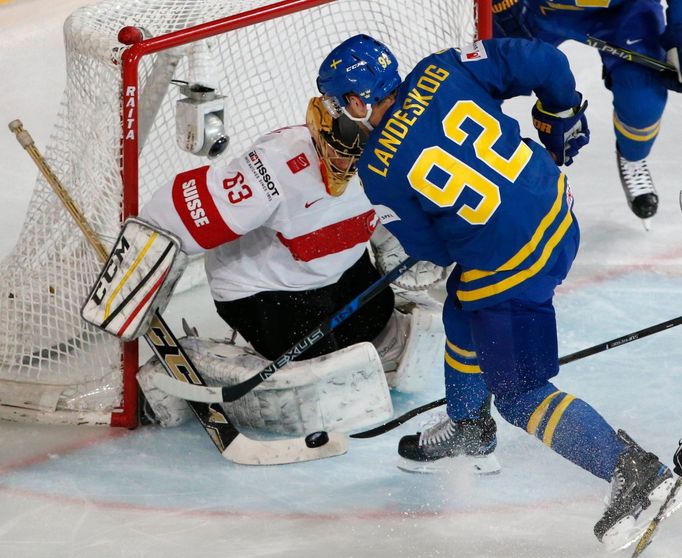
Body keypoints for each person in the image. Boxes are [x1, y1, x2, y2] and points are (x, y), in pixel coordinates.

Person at [315, 34, 680, 550]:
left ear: (357, 100)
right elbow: (548, 61)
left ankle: (634, 473)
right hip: (557, 212)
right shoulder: (441, 68)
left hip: (514, 269)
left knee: (518, 394)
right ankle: (468, 426)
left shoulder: (377, 170)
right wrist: (559, 114)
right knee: (465, 303)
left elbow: (437, 252)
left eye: (337, 102)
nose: (338, 113)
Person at [95, 95, 448, 437]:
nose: (348, 165)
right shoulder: (276, 167)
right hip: (265, 292)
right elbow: (178, 213)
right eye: (340, 154)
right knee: (321, 395)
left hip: (340, 270)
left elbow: (389, 205)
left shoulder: (396, 145)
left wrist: (399, 243)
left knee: (395, 338)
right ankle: (200, 363)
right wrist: (126, 284)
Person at [492, 0, 671, 226]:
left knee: (643, 99)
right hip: (530, 10)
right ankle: (476, 173)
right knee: (479, 82)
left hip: (624, 11)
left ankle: (632, 157)